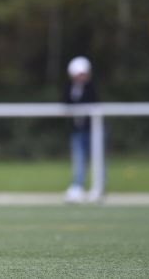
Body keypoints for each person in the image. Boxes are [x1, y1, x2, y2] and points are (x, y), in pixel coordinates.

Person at [63, 56, 99, 204]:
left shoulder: (91, 87)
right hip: (78, 130)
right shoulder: (70, 88)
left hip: (94, 130)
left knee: (97, 158)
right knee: (79, 159)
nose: (81, 77)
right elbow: (65, 102)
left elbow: (94, 102)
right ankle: (77, 187)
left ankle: (97, 187)